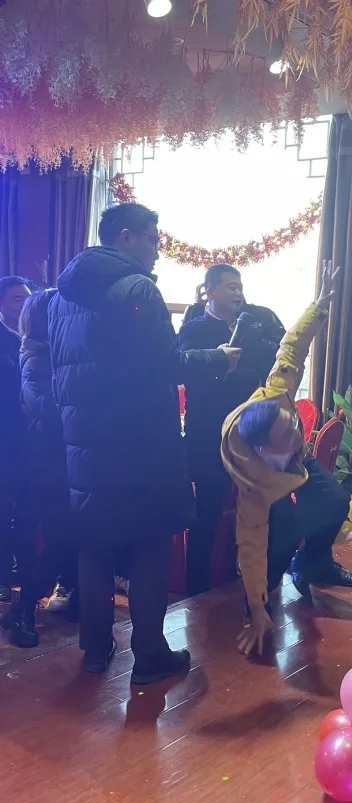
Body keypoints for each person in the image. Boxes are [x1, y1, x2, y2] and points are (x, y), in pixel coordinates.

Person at [49, 202, 241, 681]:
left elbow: (60, 374)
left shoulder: (60, 296)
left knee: (95, 545)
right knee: (150, 545)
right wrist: (217, 358)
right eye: (153, 240)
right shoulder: (138, 288)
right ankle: (150, 655)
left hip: (84, 445)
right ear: (126, 237)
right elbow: (167, 364)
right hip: (140, 443)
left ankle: (95, 649)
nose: (157, 250)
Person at [221, 260, 352, 657]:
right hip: (269, 480)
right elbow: (250, 546)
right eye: (287, 435)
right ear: (264, 450)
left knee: (335, 500)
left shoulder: (278, 392)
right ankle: (260, 603)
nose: (296, 432)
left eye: (292, 425)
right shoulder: (251, 476)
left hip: (290, 462)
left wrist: (320, 304)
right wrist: (256, 608)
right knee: (279, 533)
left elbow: (292, 346)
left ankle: (315, 562)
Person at [178, 264, 285, 594]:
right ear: (210, 292)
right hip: (208, 433)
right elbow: (182, 370)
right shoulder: (194, 329)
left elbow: (272, 365)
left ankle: (260, 582)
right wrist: (220, 362)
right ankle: (196, 590)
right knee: (208, 511)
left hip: (251, 429)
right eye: (230, 287)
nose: (238, 293)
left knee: (268, 505)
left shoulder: (253, 325)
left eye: (240, 286)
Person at [0, 290, 78, 647]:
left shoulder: (57, 353)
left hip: (62, 459)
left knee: (67, 538)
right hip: (45, 461)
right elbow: (41, 407)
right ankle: (23, 609)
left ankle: (26, 606)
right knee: (59, 539)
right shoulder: (34, 356)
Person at [0, 276, 32, 602]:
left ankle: (26, 574)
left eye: (27, 298)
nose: (24, 305)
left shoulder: (36, 338)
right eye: (16, 299)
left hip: (31, 441)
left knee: (27, 510)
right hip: (5, 439)